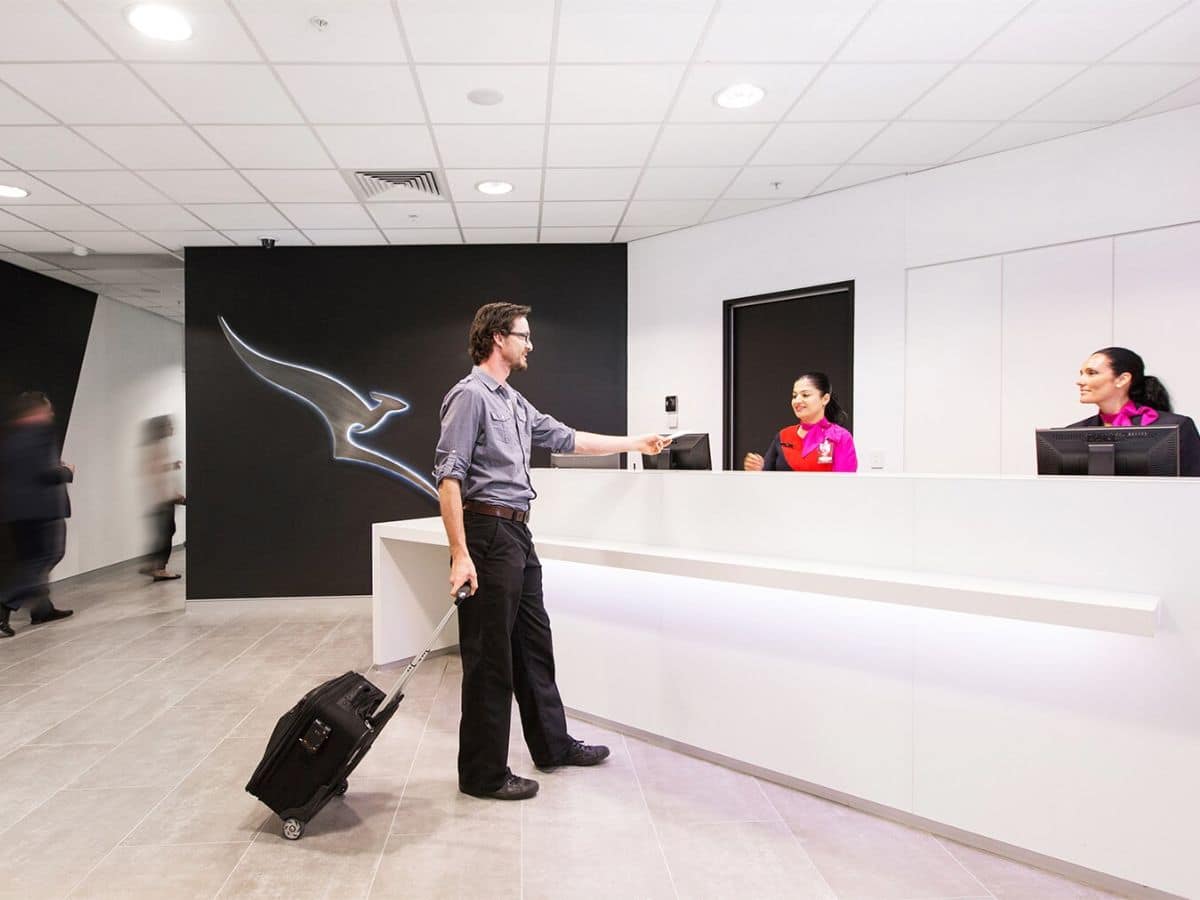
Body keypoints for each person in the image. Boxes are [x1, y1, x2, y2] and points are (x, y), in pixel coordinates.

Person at [433, 301, 669, 801]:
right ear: (498, 338)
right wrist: (459, 553)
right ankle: (483, 774)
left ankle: (553, 746)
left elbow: (570, 439)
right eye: (524, 335)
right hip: (486, 532)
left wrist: (636, 443)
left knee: (532, 647)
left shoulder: (514, 404)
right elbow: (449, 478)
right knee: (489, 658)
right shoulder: (469, 396)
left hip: (517, 534)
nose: (530, 344)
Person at [0, 392, 75, 638]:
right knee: (46, 557)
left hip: (15, 511)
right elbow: (44, 473)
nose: (51, 414)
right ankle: (4, 605)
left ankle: (42, 609)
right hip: (41, 509)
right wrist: (65, 470)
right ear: (37, 411)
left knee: (31, 560)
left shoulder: (10, 436)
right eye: (48, 409)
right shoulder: (40, 433)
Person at [1071, 346, 1199, 476]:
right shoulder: (1072, 432)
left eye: (1092, 373)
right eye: (1081, 374)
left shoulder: (1177, 426)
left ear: (1122, 379)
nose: (1080, 381)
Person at [743, 372, 858, 472]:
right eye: (794, 396)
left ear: (825, 399)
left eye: (805, 395)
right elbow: (767, 478)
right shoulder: (783, 435)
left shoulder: (840, 437)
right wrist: (758, 469)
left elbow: (845, 485)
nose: (797, 401)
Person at [141, 415, 185, 581]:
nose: (172, 428)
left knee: (164, 532)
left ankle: (153, 565)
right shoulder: (158, 447)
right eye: (169, 425)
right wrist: (173, 495)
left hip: (159, 499)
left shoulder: (155, 445)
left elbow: (155, 469)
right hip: (162, 500)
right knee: (166, 532)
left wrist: (171, 465)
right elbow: (156, 475)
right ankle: (159, 568)